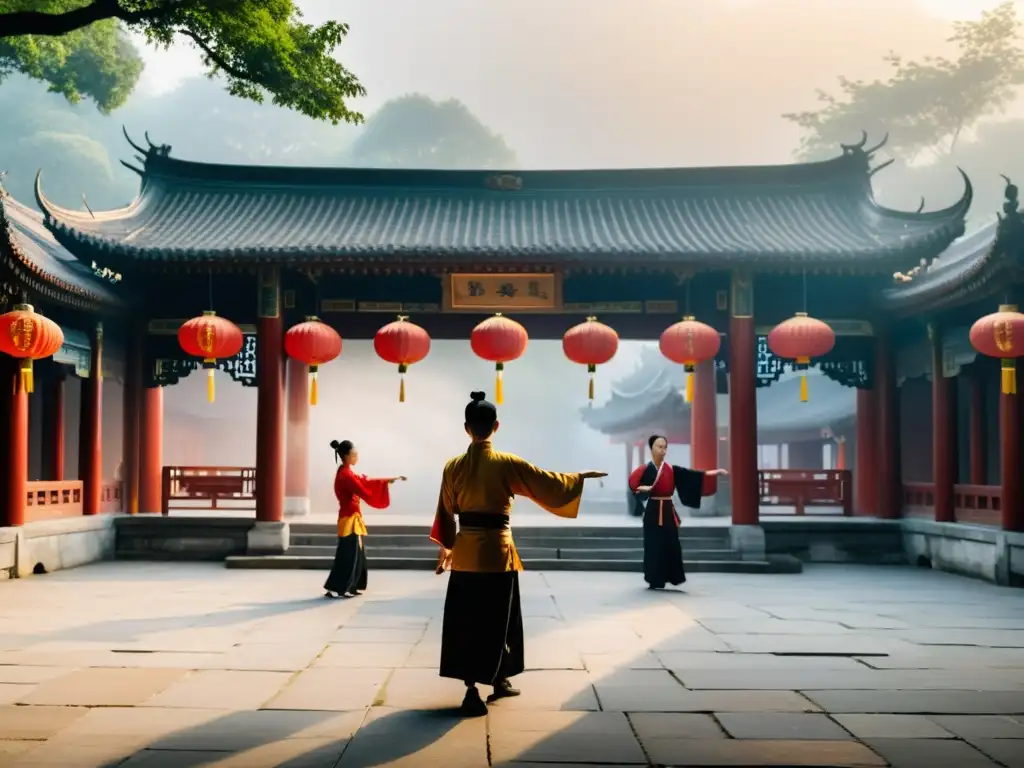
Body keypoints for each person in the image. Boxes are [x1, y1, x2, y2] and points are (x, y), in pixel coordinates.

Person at [430, 391, 607, 717]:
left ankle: (474, 689)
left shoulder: (452, 467)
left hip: (467, 555)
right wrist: (579, 479)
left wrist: (448, 550)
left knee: (467, 623)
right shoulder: (506, 464)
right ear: (496, 426)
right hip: (498, 555)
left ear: (466, 428)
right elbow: (547, 482)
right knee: (500, 620)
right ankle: (498, 679)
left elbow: (445, 512)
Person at [628, 434, 728, 590]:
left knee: (672, 544)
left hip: (667, 510)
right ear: (651, 449)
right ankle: (654, 578)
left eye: (664, 447)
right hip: (653, 511)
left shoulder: (671, 470)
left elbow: (693, 476)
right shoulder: (644, 469)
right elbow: (633, 484)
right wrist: (644, 491)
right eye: (659, 447)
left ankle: (673, 576)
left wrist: (715, 472)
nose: (662, 450)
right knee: (653, 546)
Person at [323, 439, 406, 598]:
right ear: (347, 456)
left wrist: (388, 480)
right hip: (349, 518)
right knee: (349, 554)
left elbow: (365, 479)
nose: (357, 456)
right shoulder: (346, 475)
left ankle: (351, 585)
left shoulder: (347, 472)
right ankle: (341, 587)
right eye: (354, 454)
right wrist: (379, 489)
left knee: (357, 553)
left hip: (352, 517)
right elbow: (364, 488)